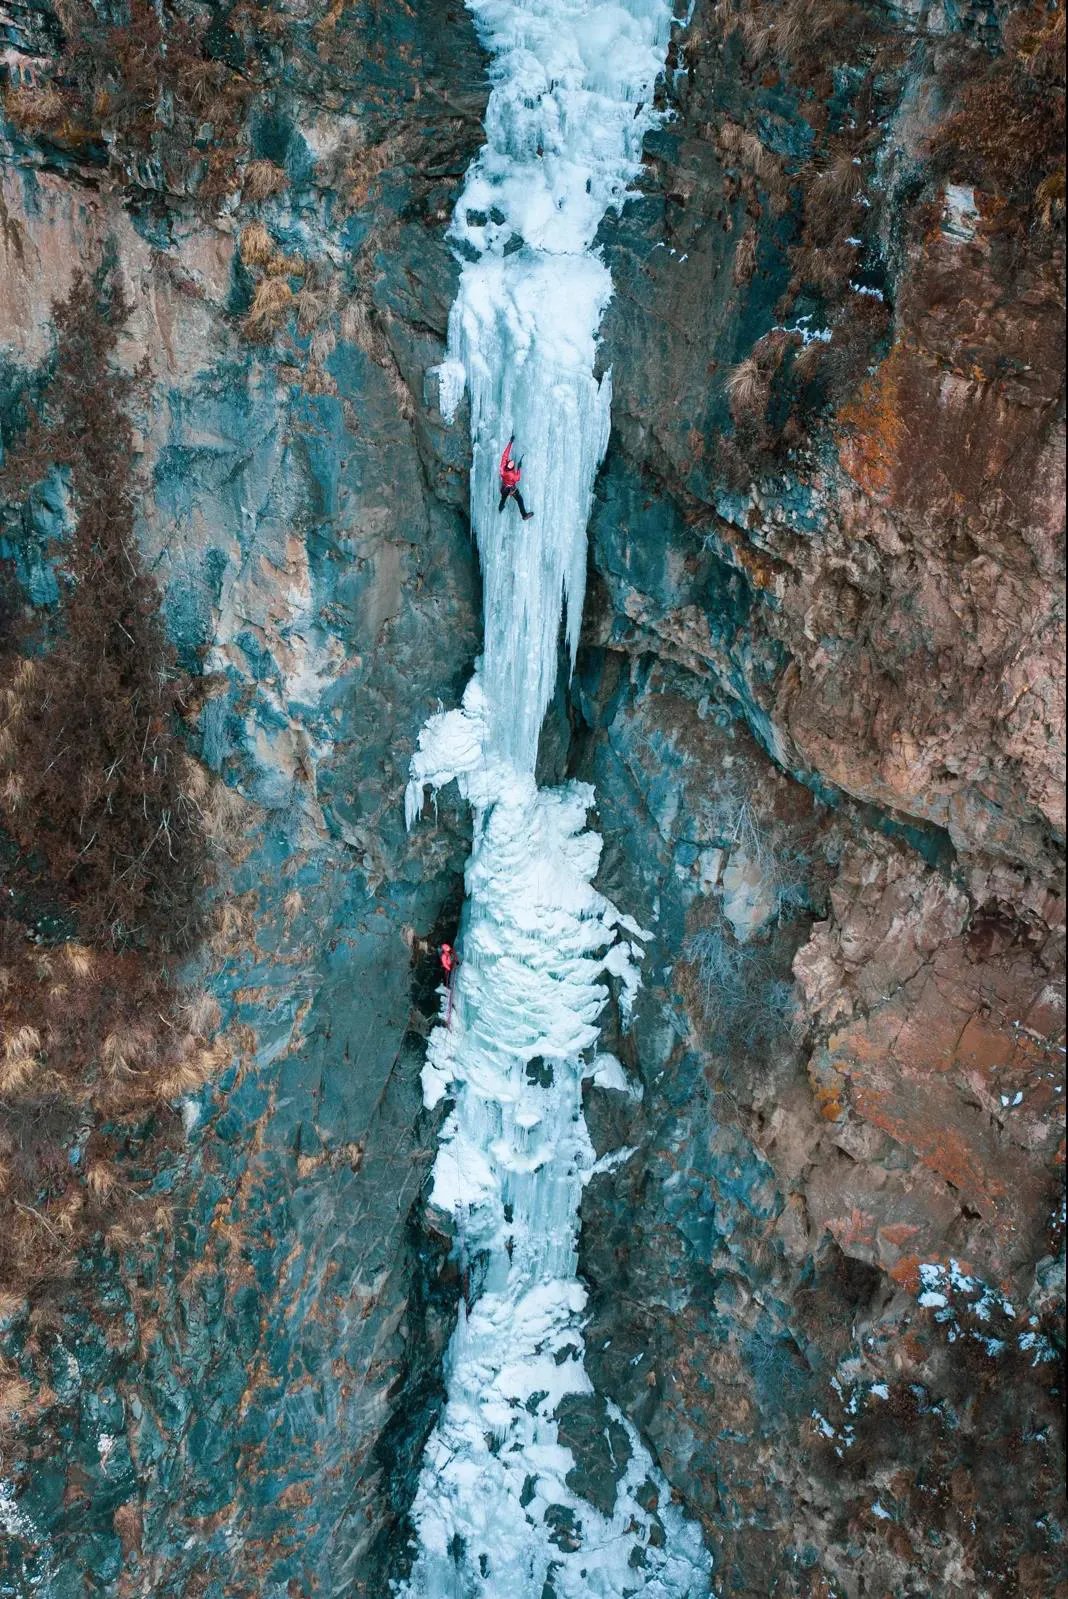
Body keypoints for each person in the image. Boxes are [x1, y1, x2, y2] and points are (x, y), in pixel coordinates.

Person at [498, 436, 533, 520]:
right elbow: (517, 478)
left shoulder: (503, 468)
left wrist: (510, 442)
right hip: (511, 488)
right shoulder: (512, 474)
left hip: (504, 488)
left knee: (504, 497)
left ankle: (500, 507)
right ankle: (524, 514)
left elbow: (505, 455)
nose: (510, 460)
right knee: (519, 500)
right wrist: (519, 468)